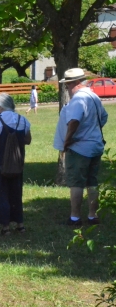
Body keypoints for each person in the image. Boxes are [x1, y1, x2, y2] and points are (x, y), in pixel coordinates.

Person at [53, 68, 108, 225]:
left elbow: (74, 121)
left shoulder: (78, 99)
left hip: (79, 148)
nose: (67, 89)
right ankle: (92, 215)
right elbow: (103, 117)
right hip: (95, 145)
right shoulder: (94, 96)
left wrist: (67, 141)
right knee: (92, 181)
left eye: (67, 85)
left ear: (75, 83)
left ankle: (75, 217)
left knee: (76, 183)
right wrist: (91, 130)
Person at [0, 94, 32, 235]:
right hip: (17, 162)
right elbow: (28, 140)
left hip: (1, 163)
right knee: (16, 193)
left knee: (2, 193)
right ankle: (20, 225)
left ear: (0, 106)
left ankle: (5, 227)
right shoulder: (23, 119)